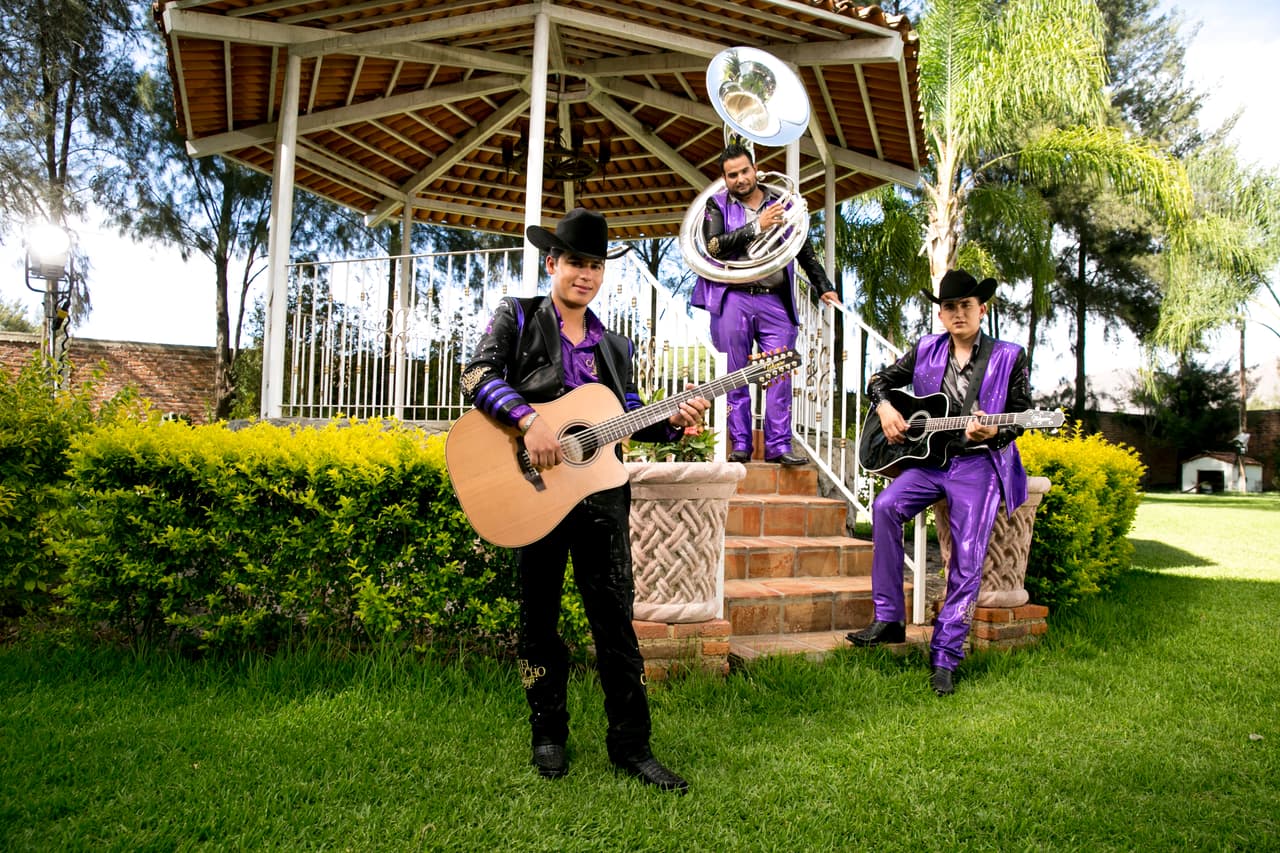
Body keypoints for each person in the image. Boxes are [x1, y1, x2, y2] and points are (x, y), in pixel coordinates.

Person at [460, 207, 709, 792]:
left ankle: (631, 745)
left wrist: (674, 422)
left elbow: (623, 421)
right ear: (553, 263)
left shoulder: (615, 348)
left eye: (595, 266)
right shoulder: (518, 318)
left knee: (615, 623)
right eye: (575, 262)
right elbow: (474, 377)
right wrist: (527, 422)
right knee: (538, 619)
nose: (586, 275)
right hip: (533, 492)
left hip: (601, 498)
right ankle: (547, 732)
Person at [846, 269, 1030, 696]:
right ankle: (889, 618)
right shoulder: (926, 349)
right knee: (886, 507)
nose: (958, 313)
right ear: (942, 314)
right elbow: (879, 381)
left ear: (982, 310)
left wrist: (995, 433)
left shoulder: (1008, 355)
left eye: (966, 305)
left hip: (978, 465)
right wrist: (887, 408)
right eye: (950, 307)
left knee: (967, 557)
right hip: (931, 462)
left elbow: (1020, 415)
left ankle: (945, 656)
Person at [690, 142, 842, 465]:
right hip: (734, 298)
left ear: (756, 169)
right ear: (724, 178)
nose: (740, 179)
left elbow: (803, 249)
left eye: (745, 171)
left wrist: (823, 286)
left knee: (779, 374)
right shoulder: (715, 206)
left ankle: (779, 446)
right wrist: (758, 226)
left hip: (774, 301)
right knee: (736, 374)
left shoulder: (781, 204)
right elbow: (714, 246)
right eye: (732, 175)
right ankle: (741, 443)